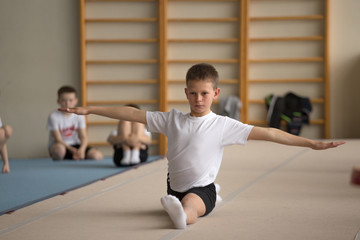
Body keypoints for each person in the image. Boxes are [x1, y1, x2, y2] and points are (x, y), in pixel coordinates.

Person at [59, 63, 345, 229]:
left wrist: (311, 144)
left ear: (215, 94)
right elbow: (131, 113)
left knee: (190, 210)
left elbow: (270, 133)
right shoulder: (172, 120)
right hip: (175, 186)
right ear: (186, 93)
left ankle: (185, 212)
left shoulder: (223, 125)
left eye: (204, 93)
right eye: (193, 93)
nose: (198, 99)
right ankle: (179, 205)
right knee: (179, 198)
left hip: (201, 188)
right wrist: (91, 109)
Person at [47, 86, 103, 161]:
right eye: (64, 100)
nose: (67, 103)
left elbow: (83, 136)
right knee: (59, 151)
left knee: (96, 155)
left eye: (70, 100)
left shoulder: (79, 116)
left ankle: (76, 156)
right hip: (61, 146)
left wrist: (82, 149)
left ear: (75, 101)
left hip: (76, 145)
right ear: (58, 101)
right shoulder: (53, 116)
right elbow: (58, 139)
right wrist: (71, 149)